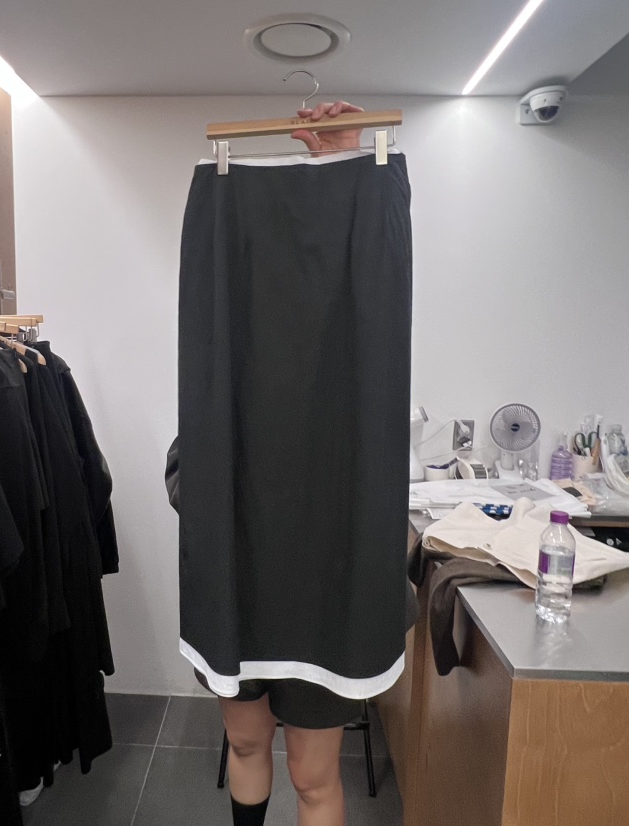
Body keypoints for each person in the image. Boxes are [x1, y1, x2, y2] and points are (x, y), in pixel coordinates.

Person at [168, 100, 375, 826]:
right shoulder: (223, 378)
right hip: (240, 581)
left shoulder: (351, 386)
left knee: (313, 776)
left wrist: (342, 167)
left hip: (322, 589)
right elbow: (183, 477)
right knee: (248, 744)